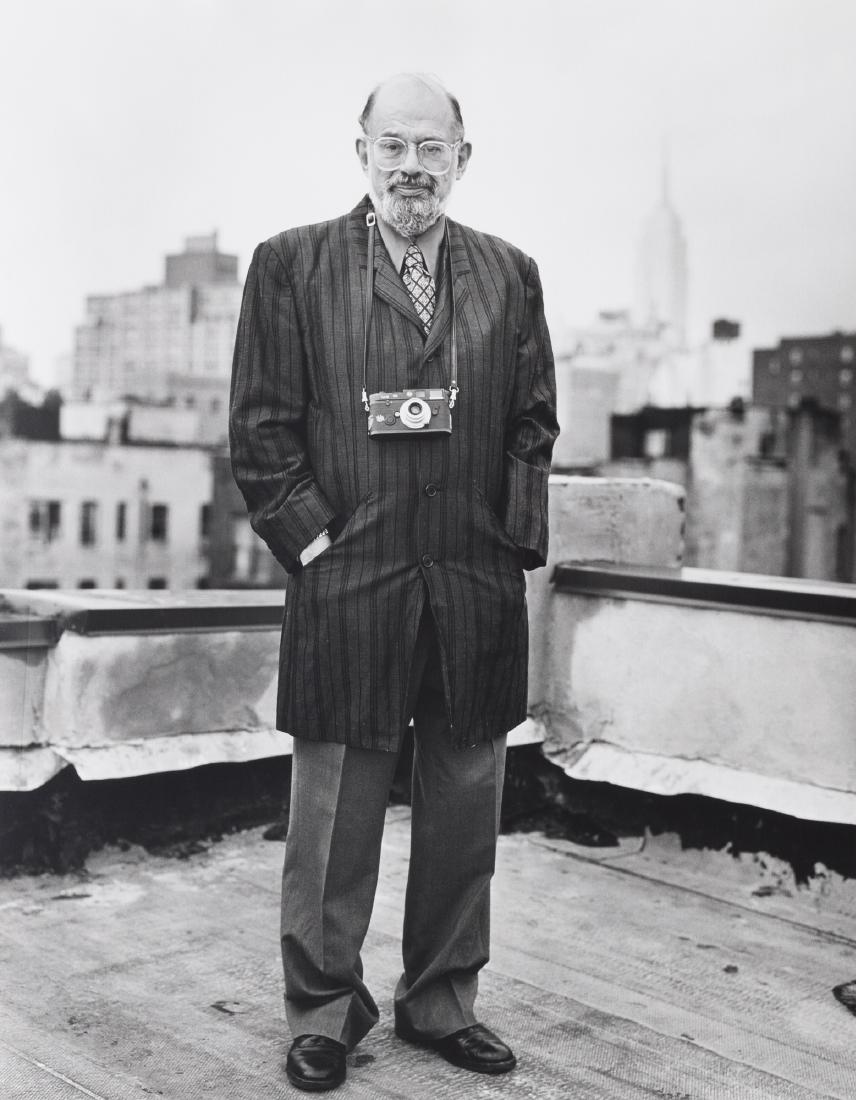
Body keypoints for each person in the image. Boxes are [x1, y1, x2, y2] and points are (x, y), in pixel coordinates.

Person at [229, 72, 558, 1092]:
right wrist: (314, 545)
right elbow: (261, 429)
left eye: (431, 148)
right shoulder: (291, 266)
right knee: (334, 816)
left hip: (470, 582)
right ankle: (324, 1008)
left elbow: (531, 423)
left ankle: (442, 999)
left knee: (465, 803)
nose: (412, 168)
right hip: (349, 579)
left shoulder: (511, 273)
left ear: (464, 156)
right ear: (360, 151)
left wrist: (508, 544)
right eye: (393, 147)